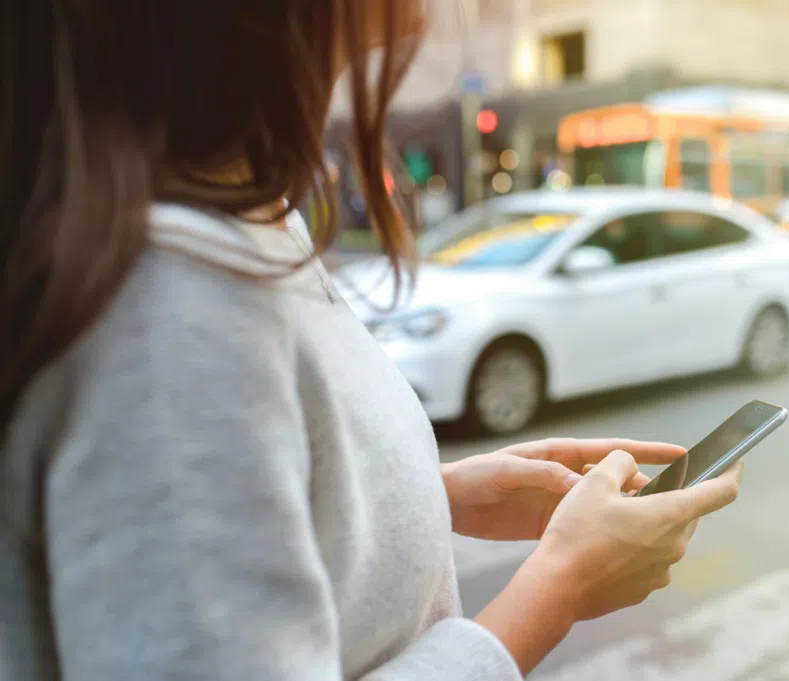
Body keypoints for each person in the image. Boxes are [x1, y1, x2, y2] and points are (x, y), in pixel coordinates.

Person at [0, 2, 744, 680]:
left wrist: (424, 492)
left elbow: (223, 525)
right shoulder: (174, 304)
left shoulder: (241, 223)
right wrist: (560, 586)